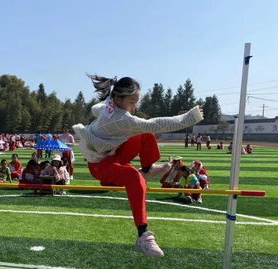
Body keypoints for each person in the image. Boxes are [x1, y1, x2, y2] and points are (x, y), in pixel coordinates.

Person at [72, 74, 203, 257]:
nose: (135, 106)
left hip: (113, 153)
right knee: (135, 171)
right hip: (100, 165)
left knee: (145, 135)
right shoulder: (121, 118)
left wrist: (99, 120)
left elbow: (97, 109)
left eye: (136, 101)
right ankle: (143, 235)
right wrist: (189, 118)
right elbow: (157, 124)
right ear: (118, 99)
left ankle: (148, 170)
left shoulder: (110, 104)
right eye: (132, 102)